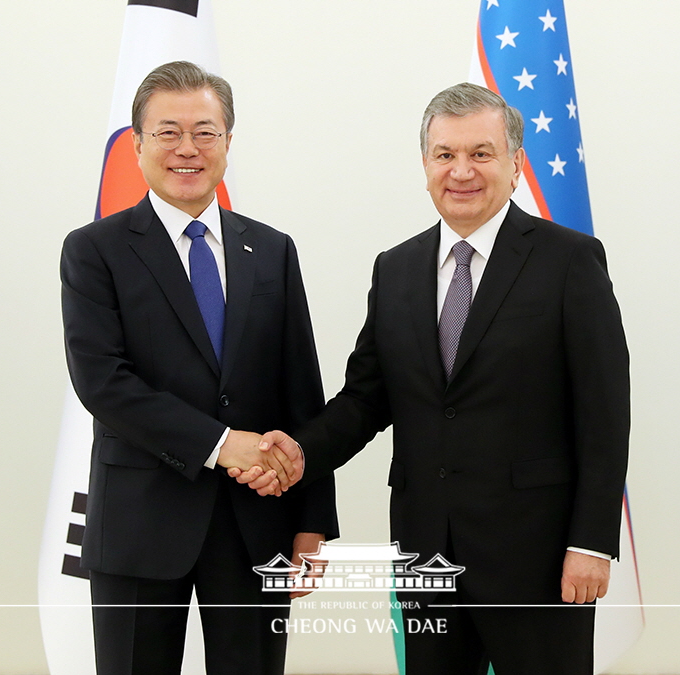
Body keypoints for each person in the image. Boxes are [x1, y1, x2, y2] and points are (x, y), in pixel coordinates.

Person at [238, 83, 629, 674]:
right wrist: (296, 452)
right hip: (427, 554)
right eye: (445, 154)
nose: (461, 170)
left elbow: (604, 413)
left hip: (539, 556)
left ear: (515, 164)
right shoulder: (395, 269)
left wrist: (591, 543)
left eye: (481, 152)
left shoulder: (570, 261)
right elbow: (366, 399)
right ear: (425, 164)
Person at [61, 60, 338, 675]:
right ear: (136, 145)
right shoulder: (94, 250)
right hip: (139, 523)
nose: (188, 148)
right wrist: (222, 445)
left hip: (257, 528)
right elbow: (104, 384)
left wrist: (313, 524)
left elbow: (302, 391)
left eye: (205, 132)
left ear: (228, 143)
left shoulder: (271, 249)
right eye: (168, 132)